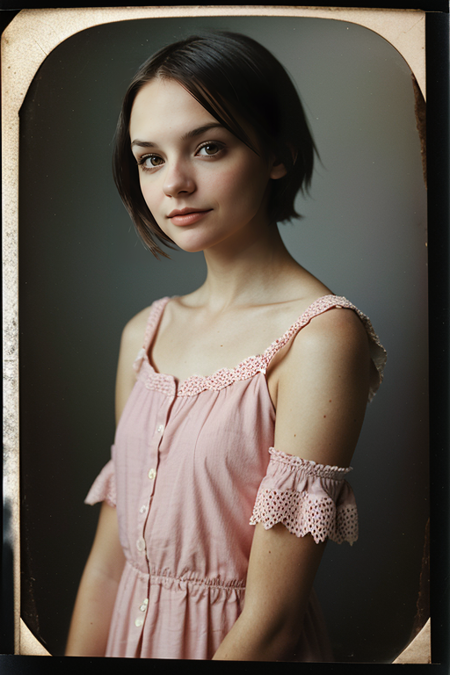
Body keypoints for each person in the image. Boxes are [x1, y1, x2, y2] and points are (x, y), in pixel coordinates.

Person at [65, 31, 387, 661]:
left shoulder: (322, 337)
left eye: (208, 147)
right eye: (150, 158)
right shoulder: (145, 332)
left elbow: (273, 623)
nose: (174, 183)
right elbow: (108, 565)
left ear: (277, 155)